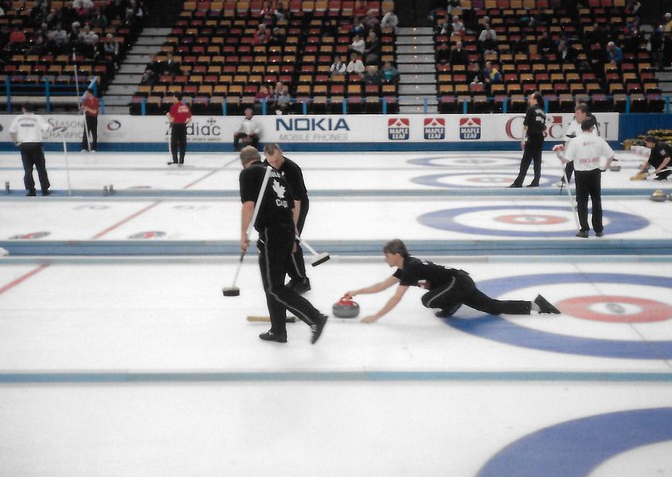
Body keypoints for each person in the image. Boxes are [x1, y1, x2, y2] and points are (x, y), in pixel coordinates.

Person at [344, 239, 561, 323]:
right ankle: (537, 305)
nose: (385, 259)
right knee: (493, 307)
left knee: (428, 301)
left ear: (397, 256)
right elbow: (381, 286)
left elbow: (396, 297)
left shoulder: (410, 268)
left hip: (458, 282)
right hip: (459, 282)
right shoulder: (404, 268)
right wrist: (356, 292)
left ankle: (452, 304)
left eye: (387, 255)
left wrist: (376, 316)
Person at [238, 146, 327, 344]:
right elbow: (291, 204)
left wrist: (243, 234)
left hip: (272, 233)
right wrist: (293, 236)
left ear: (243, 162)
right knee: (271, 285)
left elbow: (248, 205)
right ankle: (278, 330)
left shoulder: (248, 173)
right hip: (286, 229)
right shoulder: (276, 174)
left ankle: (315, 317)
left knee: (274, 287)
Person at [263, 143, 311, 293]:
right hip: (279, 207)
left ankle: (303, 280)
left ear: (281, 153)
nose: (275, 164)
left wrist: (294, 226)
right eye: (271, 162)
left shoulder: (292, 169)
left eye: (277, 160)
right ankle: (294, 277)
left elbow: (297, 201)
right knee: (282, 243)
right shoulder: (265, 167)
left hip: (297, 206)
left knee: (292, 241)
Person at [562, 116, 614, 237]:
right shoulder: (599, 140)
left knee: (582, 202)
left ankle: (584, 229)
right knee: (596, 201)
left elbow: (567, 159)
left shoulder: (575, 141)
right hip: (595, 173)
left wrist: (559, 156)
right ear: (593, 128)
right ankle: (598, 229)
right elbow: (610, 155)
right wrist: (605, 167)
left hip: (581, 174)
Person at [8, 105, 52, 196]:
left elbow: (11, 131)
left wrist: (15, 141)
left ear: (23, 109)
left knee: (27, 169)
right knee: (41, 168)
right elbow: (46, 128)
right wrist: (57, 127)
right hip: (36, 145)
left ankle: (31, 190)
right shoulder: (37, 118)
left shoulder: (18, 118)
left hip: (24, 145)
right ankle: (44, 189)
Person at [509, 91, 547, 188]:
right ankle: (536, 180)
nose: (529, 100)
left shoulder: (531, 109)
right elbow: (543, 127)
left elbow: (526, 126)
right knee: (537, 160)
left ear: (535, 100)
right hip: (540, 138)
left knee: (525, 161)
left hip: (533, 137)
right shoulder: (542, 112)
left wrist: (523, 140)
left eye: (531, 98)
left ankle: (519, 182)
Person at [557, 102, 590, 186]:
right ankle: (565, 180)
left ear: (584, 114)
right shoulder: (573, 123)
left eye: (578, 113)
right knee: (570, 162)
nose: (576, 115)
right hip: (575, 150)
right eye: (575, 113)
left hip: (587, 151)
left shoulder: (590, 124)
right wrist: (566, 153)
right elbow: (568, 138)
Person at [166, 94, 191, 165]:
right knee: (183, 143)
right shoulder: (185, 107)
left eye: (173, 97)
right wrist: (184, 122)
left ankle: (175, 160)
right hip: (183, 126)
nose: (172, 99)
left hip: (176, 126)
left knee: (174, 143)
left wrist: (168, 116)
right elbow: (189, 118)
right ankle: (181, 160)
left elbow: (172, 119)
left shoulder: (174, 107)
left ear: (176, 98)